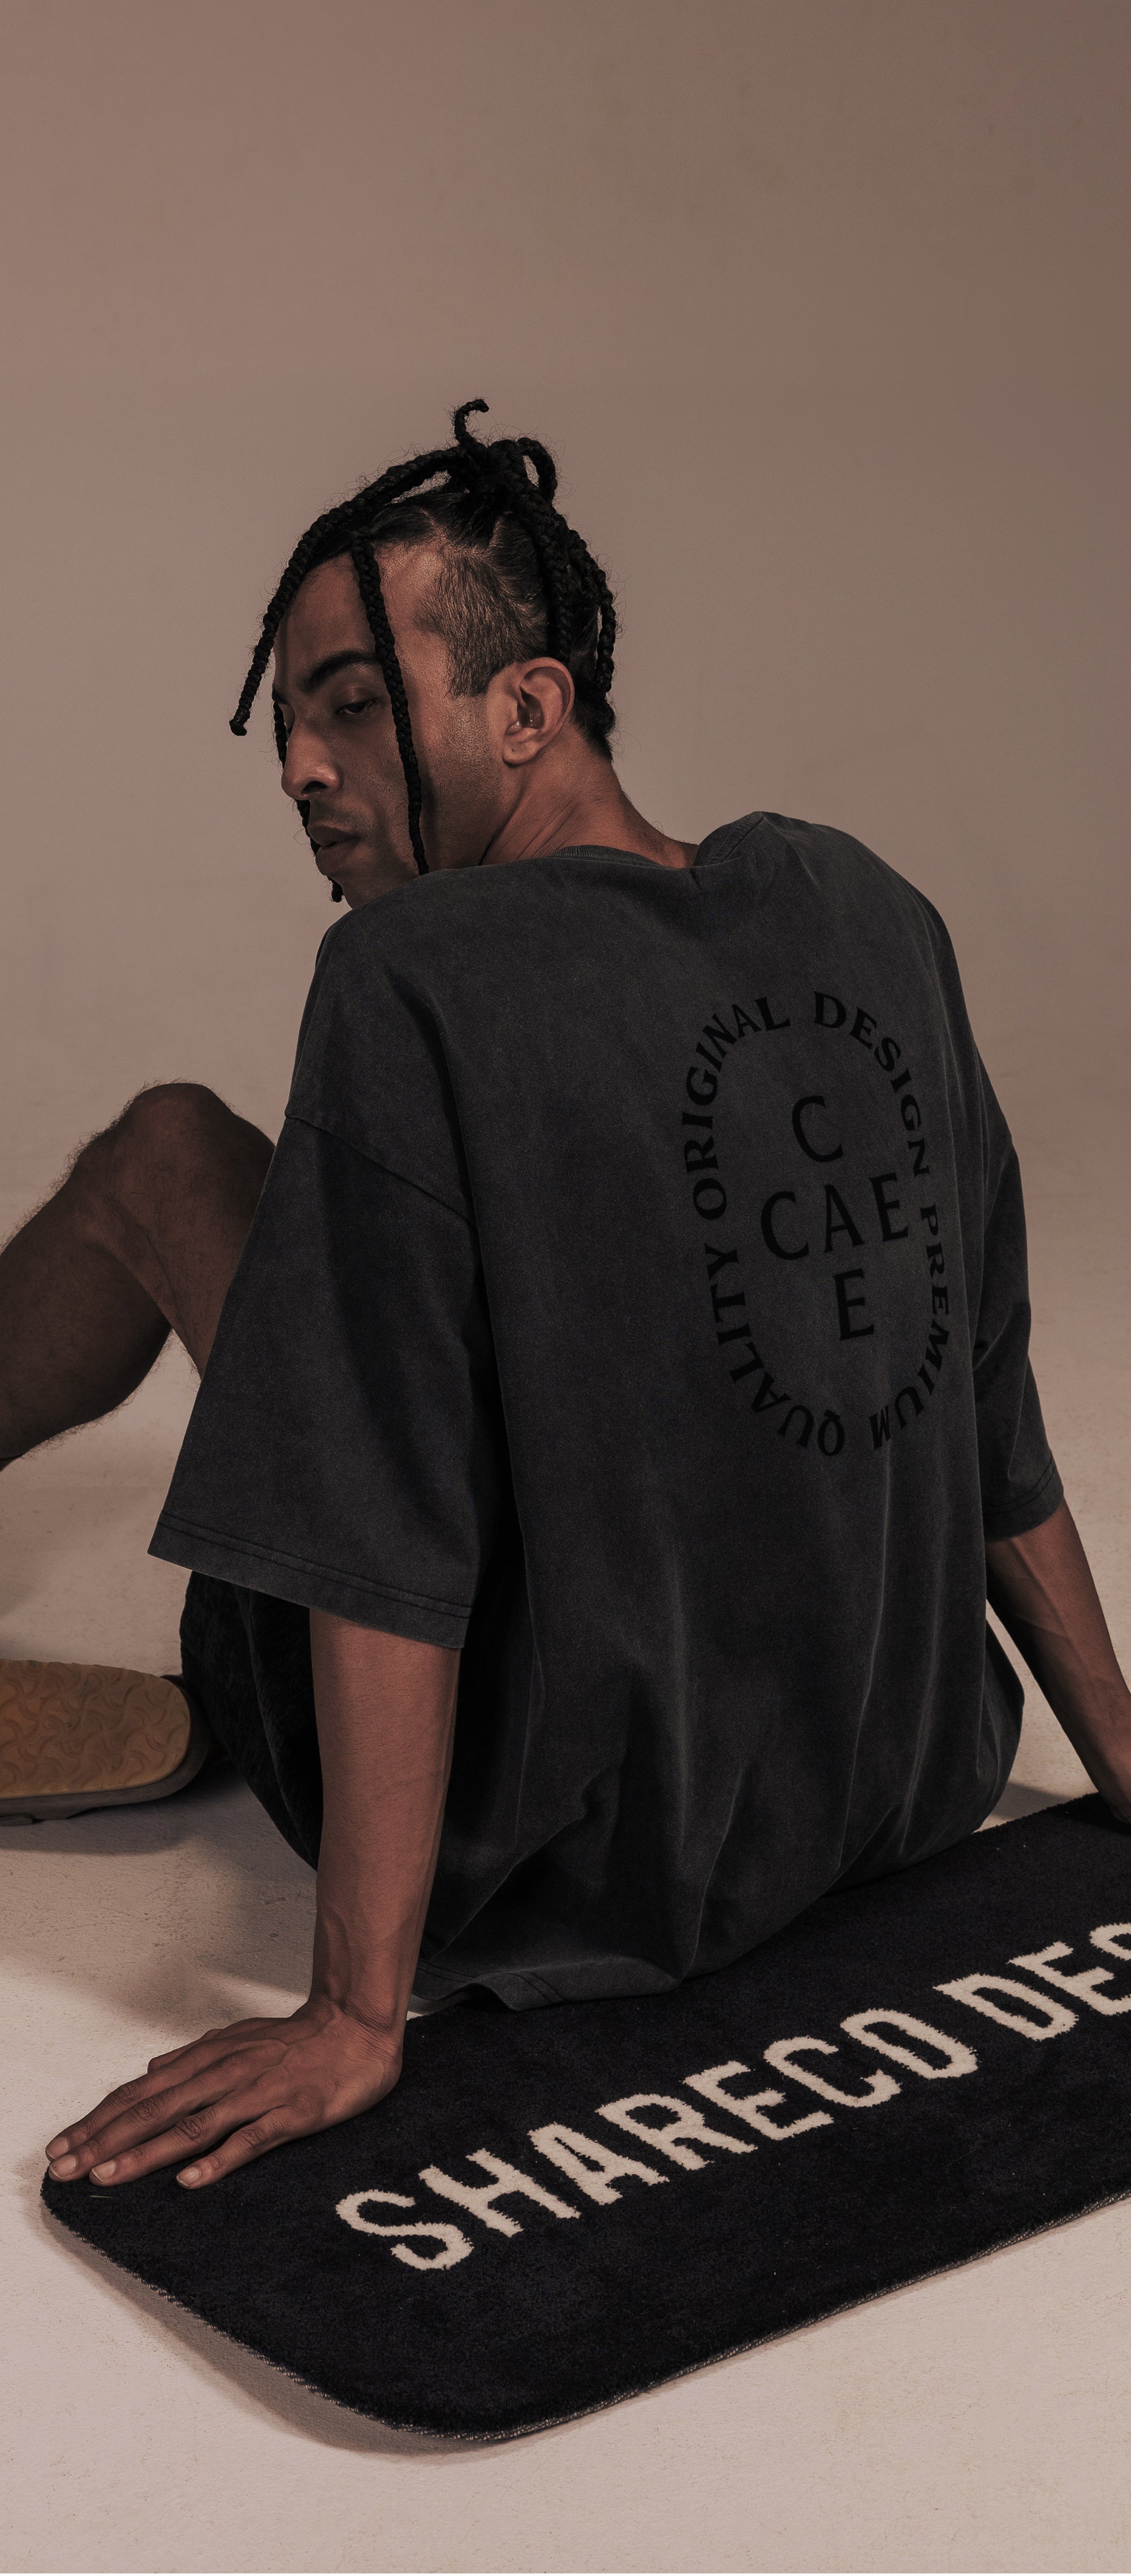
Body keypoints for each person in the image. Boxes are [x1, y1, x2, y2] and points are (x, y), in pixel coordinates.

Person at [2, 401, 1126, 2201]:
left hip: (566, 1853)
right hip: (896, 1781)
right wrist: (1120, 1752)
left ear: (528, 708)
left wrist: (357, 2010)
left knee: (165, 1157)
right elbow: (981, 1389)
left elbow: (384, 1504)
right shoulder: (863, 905)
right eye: (286, 722)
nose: (300, 766)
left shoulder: (408, 979)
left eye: (352, 704)